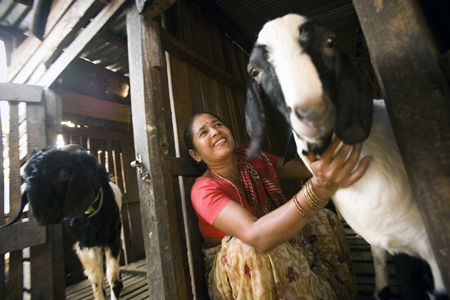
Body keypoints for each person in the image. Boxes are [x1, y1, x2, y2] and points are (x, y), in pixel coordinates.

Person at [183, 112, 371, 300]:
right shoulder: (204, 190)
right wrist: (316, 192)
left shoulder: (250, 157)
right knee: (246, 248)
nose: (215, 132)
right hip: (238, 271)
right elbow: (255, 235)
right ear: (196, 154)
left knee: (322, 219)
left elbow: (299, 168)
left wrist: (333, 162)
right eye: (203, 132)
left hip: (274, 244)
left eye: (217, 124)